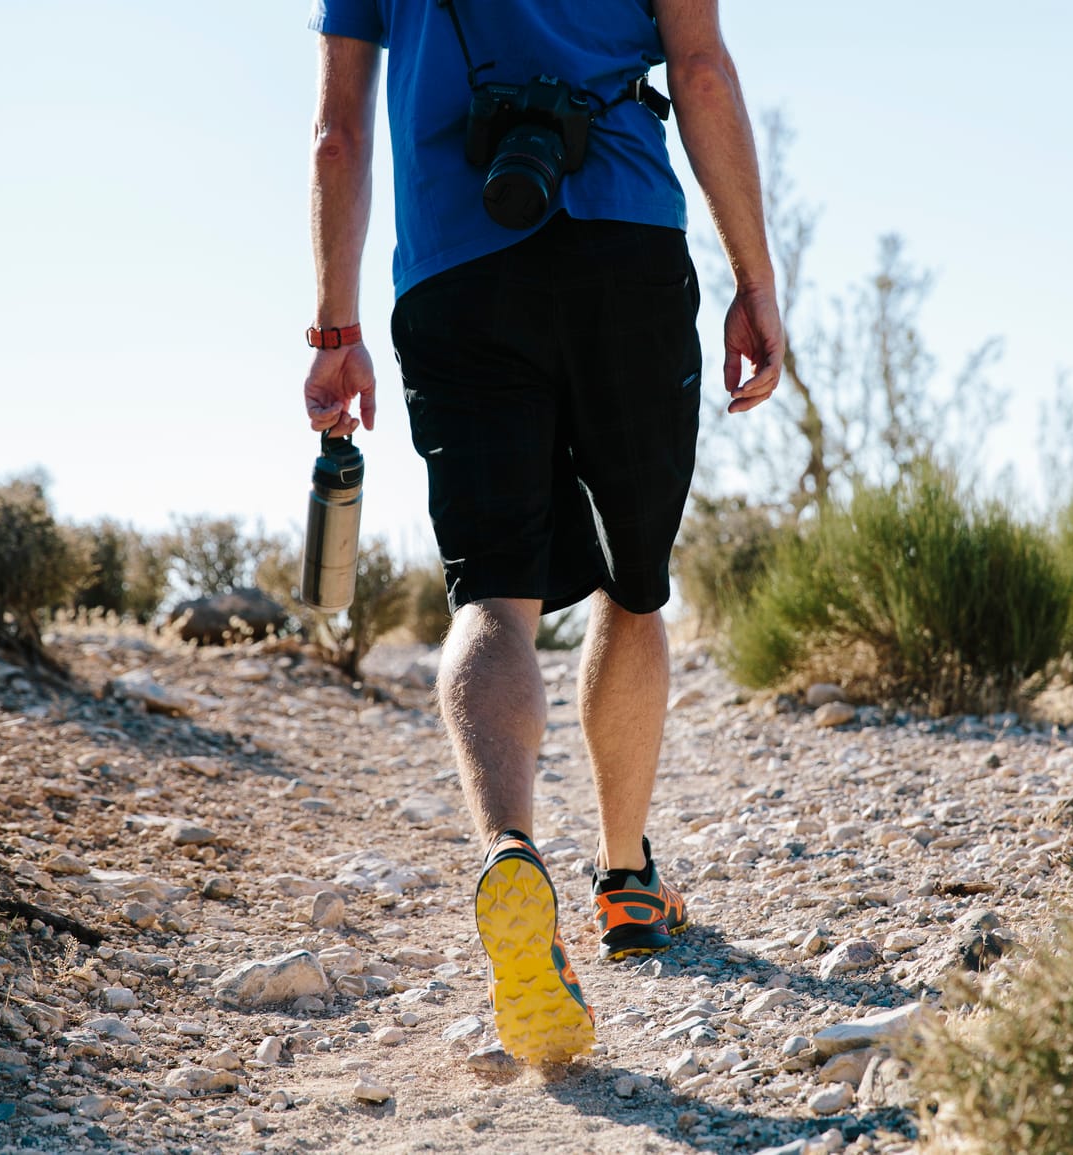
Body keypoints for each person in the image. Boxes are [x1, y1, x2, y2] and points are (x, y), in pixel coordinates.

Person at [303, 0, 782, 1064]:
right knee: (632, 582)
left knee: (491, 597)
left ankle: (511, 852)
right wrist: (754, 279)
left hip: (455, 265)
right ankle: (624, 884)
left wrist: (335, 330)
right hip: (624, 245)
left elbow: (338, 130)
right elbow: (698, 73)